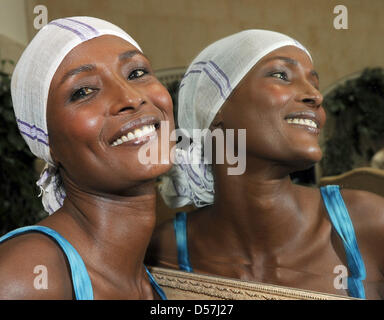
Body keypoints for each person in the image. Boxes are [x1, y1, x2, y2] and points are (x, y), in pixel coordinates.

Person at [146, 30, 384, 299]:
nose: (315, 97)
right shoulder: (163, 250)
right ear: (213, 107)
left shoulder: (369, 226)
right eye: (281, 75)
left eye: (315, 84)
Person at [0, 16, 175, 300]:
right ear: (48, 142)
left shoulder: (145, 281)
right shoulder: (28, 277)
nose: (130, 97)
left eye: (136, 73)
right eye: (83, 91)